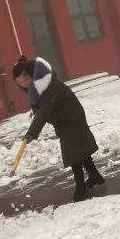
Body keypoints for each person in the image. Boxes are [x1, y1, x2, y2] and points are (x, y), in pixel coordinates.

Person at [11, 56, 104, 202]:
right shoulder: (35, 87)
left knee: (73, 154)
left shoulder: (47, 85)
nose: (24, 84)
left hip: (71, 118)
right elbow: (41, 107)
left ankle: (81, 190)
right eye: (20, 82)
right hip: (63, 119)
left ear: (32, 75)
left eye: (26, 80)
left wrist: (32, 132)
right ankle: (94, 176)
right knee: (78, 149)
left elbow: (45, 110)